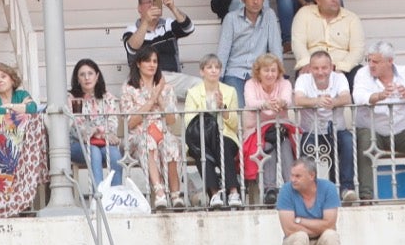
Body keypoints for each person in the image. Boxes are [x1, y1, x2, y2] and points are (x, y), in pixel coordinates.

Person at [352, 41, 405, 201]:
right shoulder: (362, 73)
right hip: (373, 131)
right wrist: (379, 96)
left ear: (390, 61)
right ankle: (366, 195)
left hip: (400, 131)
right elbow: (358, 97)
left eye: (376, 61)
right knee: (365, 138)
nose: (371, 65)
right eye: (369, 60)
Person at [122, 45, 183, 209]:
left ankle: (176, 194)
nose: (152, 64)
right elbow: (130, 122)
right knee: (148, 141)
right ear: (138, 64)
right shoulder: (130, 89)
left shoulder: (167, 88)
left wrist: (159, 98)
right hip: (139, 134)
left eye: (155, 61)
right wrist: (151, 101)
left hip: (163, 132)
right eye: (147, 61)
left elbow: (171, 120)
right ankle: (159, 191)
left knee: (171, 144)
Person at [293, 50, 355, 204]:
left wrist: (332, 103)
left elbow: (347, 97)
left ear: (331, 67)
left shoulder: (339, 77)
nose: (320, 72)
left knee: (348, 142)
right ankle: (308, 192)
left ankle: (346, 188)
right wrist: (317, 101)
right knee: (305, 151)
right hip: (310, 131)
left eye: (324, 68)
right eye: (316, 68)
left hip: (336, 129)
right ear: (310, 68)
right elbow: (298, 100)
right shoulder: (303, 79)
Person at [182, 54, 242, 208]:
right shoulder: (193, 93)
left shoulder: (230, 91)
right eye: (209, 67)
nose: (214, 71)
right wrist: (208, 113)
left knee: (223, 144)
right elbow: (189, 120)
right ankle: (215, 194)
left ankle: (232, 192)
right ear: (202, 72)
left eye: (217, 67)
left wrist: (223, 108)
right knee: (201, 150)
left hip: (225, 135)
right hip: (201, 137)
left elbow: (234, 125)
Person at [244, 53, 298, 204]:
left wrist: (280, 101)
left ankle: (291, 187)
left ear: (279, 72)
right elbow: (250, 102)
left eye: (273, 70)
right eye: (266, 70)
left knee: (286, 144)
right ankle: (270, 189)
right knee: (267, 144)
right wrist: (266, 104)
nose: (270, 74)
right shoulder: (251, 84)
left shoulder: (284, 84)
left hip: (281, 128)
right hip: (256, 130)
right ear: (258, 72)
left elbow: (287, 100)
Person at [122, 0, 195, 96]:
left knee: (202, 87)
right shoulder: (132, 30)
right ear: (139, 8)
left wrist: (173, 8)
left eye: (156, 1)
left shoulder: (168, 25)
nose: (153, 5)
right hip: (143, 79)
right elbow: (133, 47)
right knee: (127, 91)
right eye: (149, 2)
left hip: (172, 78)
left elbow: (189, 28)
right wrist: (146, 21)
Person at [218, 0, 281, 98]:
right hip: (235, 72)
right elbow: (223, 50)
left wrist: (279, 75)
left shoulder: (269, 15)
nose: (256, 1)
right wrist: (218, 79)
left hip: (260, 73)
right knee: (239, 111)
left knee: (262, 109)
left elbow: (275, 46)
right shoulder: (231, 18)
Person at [291, 0, 364, 78]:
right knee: (304, 75)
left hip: (342, 68)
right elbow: (298, 43)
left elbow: (358, 50)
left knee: (359, 73)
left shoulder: (352, 18)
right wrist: (308, 63)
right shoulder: (304, 14)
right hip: (313, 67)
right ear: (318, 0)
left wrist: (341, 68)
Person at [67, 59, 123, 186]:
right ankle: (97, 199)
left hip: (103, 142)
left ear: (97, 76)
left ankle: (115, 198)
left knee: (115, 155)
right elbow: (75, 126)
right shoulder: (71, 98)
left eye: (90, 73)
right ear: (77, 79)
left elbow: (112, 122)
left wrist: (96, 132)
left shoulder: (107, 97)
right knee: (94, 152)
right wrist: (100, 132)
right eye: (82, 74)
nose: (87, 78)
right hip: (78, 144)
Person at [278, 159, 345, 245]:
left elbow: (330, 225)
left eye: (298, 176)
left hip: (320, 243)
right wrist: (320, 226)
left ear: (311, 176)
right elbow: (289, 229)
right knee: (300, 237)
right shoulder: (285, 191)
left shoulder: (328, 188)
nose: (293, 180)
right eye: (292, 175)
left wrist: (299, 220)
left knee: (330, 235)